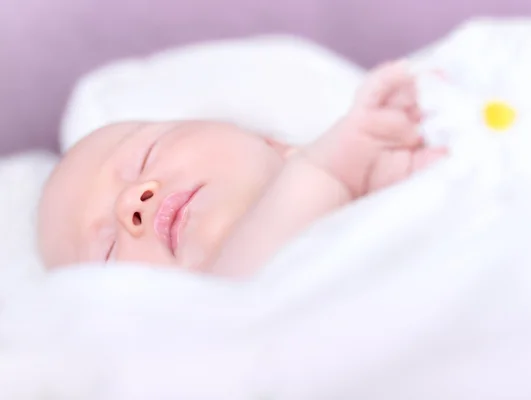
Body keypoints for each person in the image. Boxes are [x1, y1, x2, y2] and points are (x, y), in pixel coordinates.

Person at [37, 61, 446, 279]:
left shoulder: (382, 150)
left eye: (145, 157)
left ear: (272, 143)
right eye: (107, 250)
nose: (130, 203)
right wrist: (328, 174)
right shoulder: (217, 321)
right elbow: (249, 282)